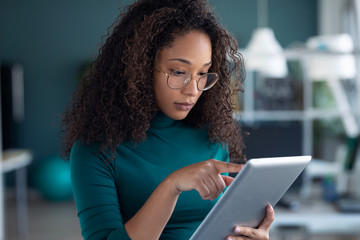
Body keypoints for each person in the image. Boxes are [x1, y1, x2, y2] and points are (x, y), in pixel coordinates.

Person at [61, 0, 275, 239]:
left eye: (202, 73)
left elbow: (220, 227)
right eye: (179, 72)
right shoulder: (96, 150)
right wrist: (172, 186)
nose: (193, 89)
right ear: (140, 69)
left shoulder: (211, 136)